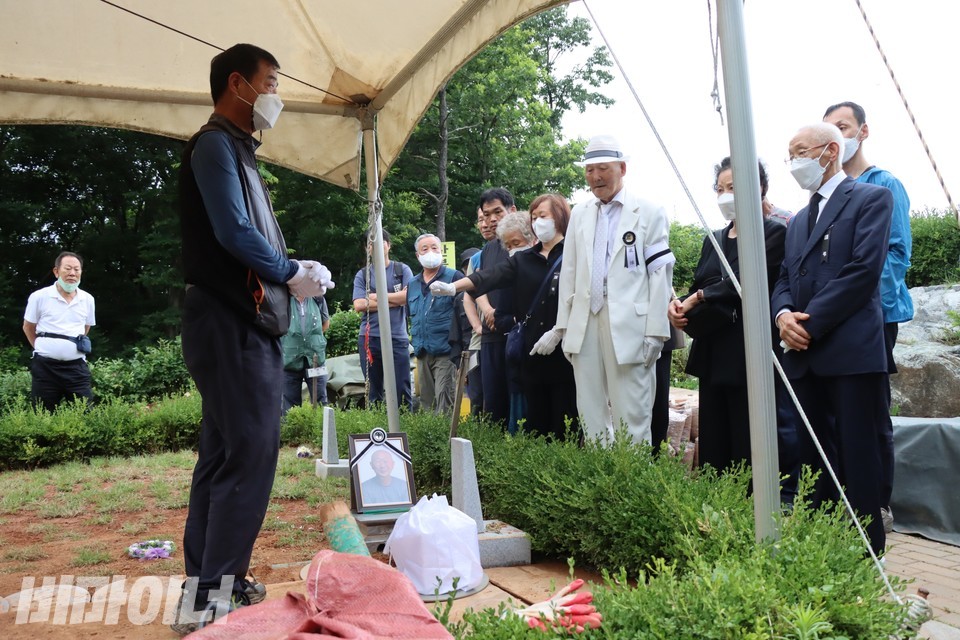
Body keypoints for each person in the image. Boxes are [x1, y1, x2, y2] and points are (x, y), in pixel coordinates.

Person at [176, 43, 334, 634]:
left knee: (223, 455)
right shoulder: (215, 144)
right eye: (271, 82)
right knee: (247, 454)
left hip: (237, 323)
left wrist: (295, 265)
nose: (276, 94)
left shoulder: (238, 149)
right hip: (228, 323)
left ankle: (212, 584)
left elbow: (251, 233)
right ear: (238, 84)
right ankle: (211, 599)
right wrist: (290, 272)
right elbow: (233, 230)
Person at [772, 122, 892, 556]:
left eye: (801, 151)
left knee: (859, 453)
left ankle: (865, 552)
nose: (794, 163)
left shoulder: (871, 198)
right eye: (790, 154)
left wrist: (809, 322)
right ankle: (821, 546)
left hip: (850, 351)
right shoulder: (800, 218)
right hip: (804, 354)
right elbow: (785, 277)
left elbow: (862, 272)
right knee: (813, 454)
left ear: (830, 151)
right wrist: (783, 316)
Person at [823, 100, 912, 532]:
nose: (837, 136)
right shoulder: (828, 191)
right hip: (833, 316)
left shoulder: (885, 183)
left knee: (873, 409)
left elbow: (896, 254)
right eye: (830, 130)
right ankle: (842, 495)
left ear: (863, 131)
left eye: (844, 126)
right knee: (838, 411)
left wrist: (860, 301)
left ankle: (878, 501)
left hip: (874, 315)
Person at [668, 158, 786, 474]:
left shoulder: (774, 234)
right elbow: (699, 283)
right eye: (720, 189)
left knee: (747, 438)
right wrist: (678, 306)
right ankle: (715, 509)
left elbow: (745, 281)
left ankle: (752, 511)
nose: (725, 195)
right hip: (713, 350)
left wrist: (699, 297)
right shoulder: (714, 239)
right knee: (714, 438)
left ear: (759, 188)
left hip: (749, 352)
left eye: (733, 188)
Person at [554, 135, 674, 445]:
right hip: (585, 319)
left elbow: (660, 274)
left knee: (632, 413)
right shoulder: (580, 212)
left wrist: (656, 332)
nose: (595, 177)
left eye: (603, 169)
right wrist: (564, 326)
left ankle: (631, 484)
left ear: (622, 168)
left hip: (630, 323)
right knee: (590, 411)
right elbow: (569, 270)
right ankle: (598, 481)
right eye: (589, 170)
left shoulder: (648, 211)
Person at [432, 196, 579, 440]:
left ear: (561, 216)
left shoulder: (576, 254)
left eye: (543, 216)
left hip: (567, 350)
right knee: (536, 422)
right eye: (533, 217)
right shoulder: (523, 259)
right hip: (532, 351)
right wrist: (453, 287)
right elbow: (489, 276)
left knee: (566, 420)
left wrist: (560, 330)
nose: (537, 222)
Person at [22, 252, 96, 412]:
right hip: (45, 367)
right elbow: (28, 327)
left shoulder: (88, 299)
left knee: (86, 413)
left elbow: (86, 328)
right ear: (56, 271)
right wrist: (43, 347)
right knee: (42, 415)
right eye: (68, 268)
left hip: (76, 368)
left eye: (77, 269)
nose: (72, 273)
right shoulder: (39, 297)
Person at [352, 229, 414, 410]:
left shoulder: (401, 270)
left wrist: (374, 296)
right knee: (373, 391)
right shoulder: (363, 274)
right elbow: (359, 305)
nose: (376, 246)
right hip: (370, 338)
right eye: (370, 243)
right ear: (366, 249)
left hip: (397, 337)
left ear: (389, 244)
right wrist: (394, 298)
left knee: (402, 388)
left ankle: (406, 431)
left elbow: (406, 298)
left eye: (380, 241)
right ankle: (377, 433)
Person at [407, 233, 463, 413]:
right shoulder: (413, 283)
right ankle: (429, 440)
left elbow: (463, 313)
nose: (430, 252)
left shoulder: (454, 277)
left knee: (445, 401)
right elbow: (411, 315)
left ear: (441, 251)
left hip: (446, 352)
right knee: (427, 403)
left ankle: (447, 440)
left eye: (434, 248)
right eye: (425, 249)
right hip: (422, 352)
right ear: (418, 255)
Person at [474, 188, 517, 424]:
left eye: (497, 212)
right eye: (487, 213)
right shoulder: (488, 248)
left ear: (512, 210)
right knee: (493, 401)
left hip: (515, 330)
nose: (492, 219)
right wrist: (489, 310)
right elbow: (479, 283)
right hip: (491, 332)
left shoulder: (527, 243)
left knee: (518, 400)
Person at [464, 208, 496, 416]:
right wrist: (477, 325)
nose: (485, 224)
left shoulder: (517, 248)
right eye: (480, 220)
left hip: (506, 332)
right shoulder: (477, 258)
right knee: (477, 394)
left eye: (488, 218)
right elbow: (468, 296)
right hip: (480, 339)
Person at [280, 293, 330, 412]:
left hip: (315, 358)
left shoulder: (318, 298)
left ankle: (321, 429)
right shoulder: (283, 298)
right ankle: (293, 430)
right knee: (290, 407)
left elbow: (325, 324)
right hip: (289, 360)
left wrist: (308, 339)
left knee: (320, 401)